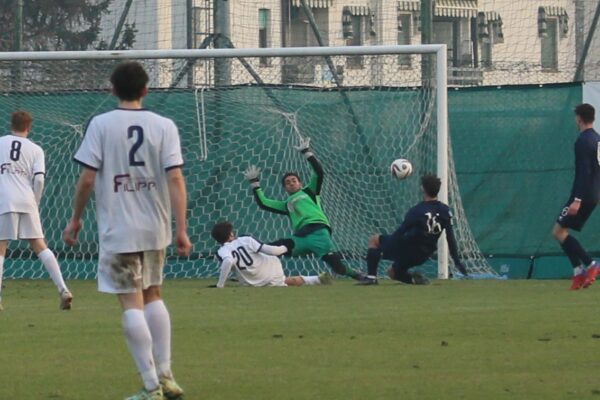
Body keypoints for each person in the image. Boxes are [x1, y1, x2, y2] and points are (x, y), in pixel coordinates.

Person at [62, 62, 191, 400]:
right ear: (146, 90)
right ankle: (167, 375)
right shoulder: (164, 125)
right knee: (154, 294)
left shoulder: (101, 125)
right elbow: (176, 178)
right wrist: (182, 229)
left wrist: (76, 219)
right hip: (155, 228)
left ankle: (151, 387)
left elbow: (87, 179)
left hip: (119, 229)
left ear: (113, 89)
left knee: (130, 303)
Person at [243, 137, 365, 281]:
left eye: (294, 181)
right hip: (300, 238)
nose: (291, 183)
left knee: (337, 267)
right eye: (287, 183)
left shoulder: (309, 191)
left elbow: (319, 172)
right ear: (285, 188)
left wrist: (307, 153)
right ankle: (248, 271)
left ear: (300, 183)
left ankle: (359, 275)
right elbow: (264, 203)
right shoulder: (287, 204)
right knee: (269, 248)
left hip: (319, 233)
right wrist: (254, 183)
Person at [0, 110, 72, 311]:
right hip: (27, 200)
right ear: (29, 127)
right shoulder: (36, 149)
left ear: (11, 124)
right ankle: (63, 289)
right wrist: (35, 201)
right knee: (40, 246)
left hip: (5, 200)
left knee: (1, 246)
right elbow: (39, 179)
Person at [360, 175, 468, 285]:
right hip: (424, 255)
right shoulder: (445, 210)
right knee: (392, 273)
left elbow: (400, 232)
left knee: (374, 240)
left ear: (422, 189)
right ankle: (415, 280)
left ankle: (371, 277)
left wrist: (384, 250)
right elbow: (450, 238)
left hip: (408, 250)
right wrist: (457, 261)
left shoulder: (416, 211)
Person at [552, 103, 600, 290]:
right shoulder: (597, 139)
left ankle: (589, 265)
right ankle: (578, 271)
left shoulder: (582, 140)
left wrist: (577, 200)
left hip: (582, 195)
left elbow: (584, 171)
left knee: (558, 231)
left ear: (579, 118)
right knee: (560, 231)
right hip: (594, 194)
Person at [211, 221, 332, 288]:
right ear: (230, 234)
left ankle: (317, 279)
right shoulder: (245, 239)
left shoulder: (221, 251)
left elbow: (228, 261)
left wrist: (220, 285)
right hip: (271, 270)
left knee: (284, 281)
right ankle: (318, 279)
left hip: (253, 283)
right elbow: (274, 251)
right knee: (283, 279)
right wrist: (286, 247)